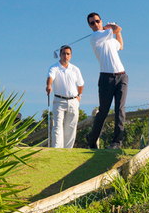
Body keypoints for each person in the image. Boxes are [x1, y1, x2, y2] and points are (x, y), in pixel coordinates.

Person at [84, 11, 127, 149]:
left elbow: (120, 45)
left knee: (119, 109)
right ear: (90, 26)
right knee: (103, 111)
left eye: (97, 21)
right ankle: (92, 140)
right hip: (106, 78)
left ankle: (116, 142)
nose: (95, 24)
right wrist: (111, 26)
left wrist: (117, 32)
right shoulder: (95, 37)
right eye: (92, 23)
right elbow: (116, 29)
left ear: (100, 21)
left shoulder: (109, 39)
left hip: (122, 76)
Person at [45, 45, 84, 148]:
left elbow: (80, 84)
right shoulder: (54, 67)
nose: (65, 56)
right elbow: (50, 77)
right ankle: (57, 149)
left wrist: (79, 96)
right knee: (57, 126)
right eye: (63, 53)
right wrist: (49, 85)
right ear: (60, 55)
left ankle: (67, 150)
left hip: (73, 100)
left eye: (68, 54)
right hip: (59, 100)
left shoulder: (75, 69)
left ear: (70, 56)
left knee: (71, 126)